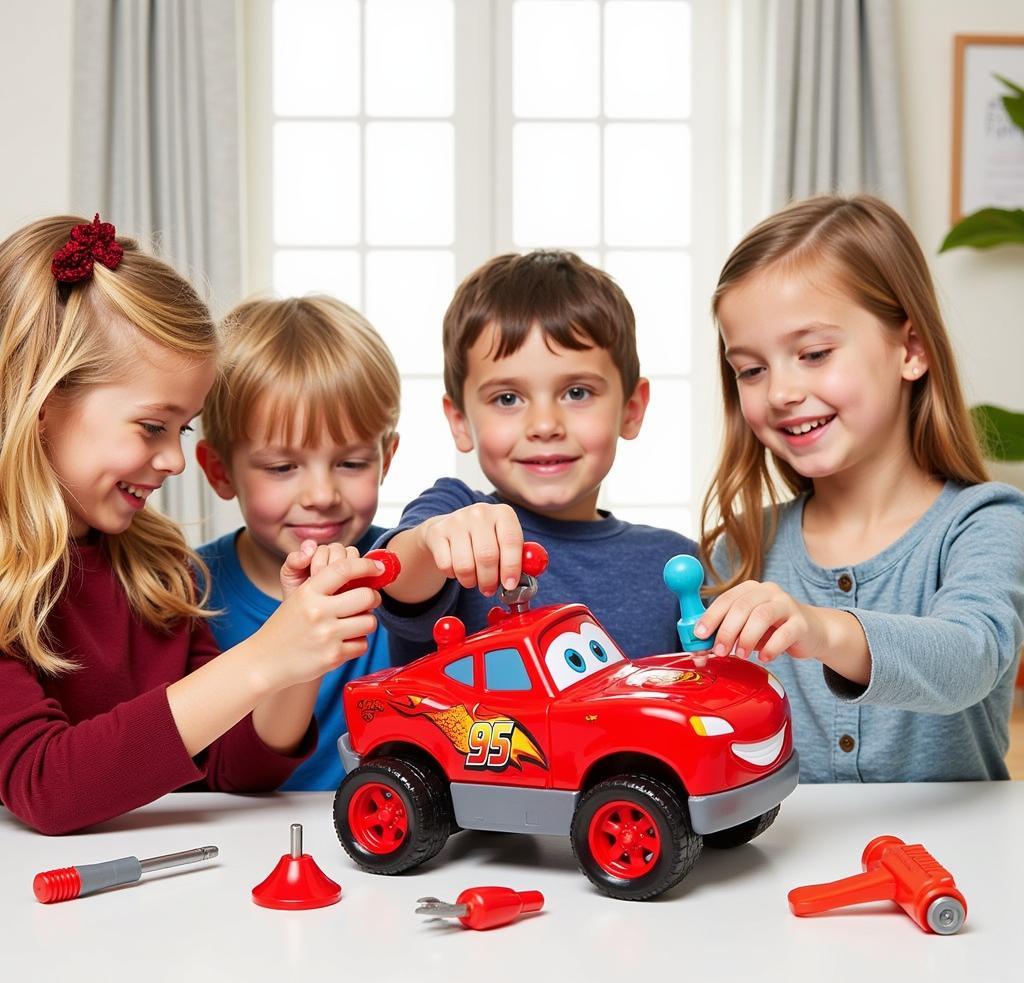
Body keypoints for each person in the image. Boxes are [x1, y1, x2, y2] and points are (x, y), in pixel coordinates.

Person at [0, 215, 384, 834]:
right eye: (154, 426)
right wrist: (264, 657)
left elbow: (236, 769)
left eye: (183, 430)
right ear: (46, 406)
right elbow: (46, 786)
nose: (177, 460)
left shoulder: (156, 569)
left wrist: (295, 658)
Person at [695, 194, 1024, 782]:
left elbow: (970, 657)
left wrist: (822, 628)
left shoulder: (986, 522)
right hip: (787, 871)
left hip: (961, 868)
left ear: (912, 349)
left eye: (814, 353)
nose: (780, 393)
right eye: (751, 369)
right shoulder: (739, 549)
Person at [377, 250, 696, 665]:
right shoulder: (454, 511)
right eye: (507, 398)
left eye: (577, 392)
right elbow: (399, 577)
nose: (544, 424)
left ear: (631, 409)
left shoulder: (676, 564)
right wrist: (433, 540)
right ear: (459, 422)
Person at [196, 296, 400, 789]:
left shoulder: (406, 578)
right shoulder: (185, 594)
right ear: (220, 471)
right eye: (282, 468)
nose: (322, 496)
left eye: (351, 463)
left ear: (386, 458)